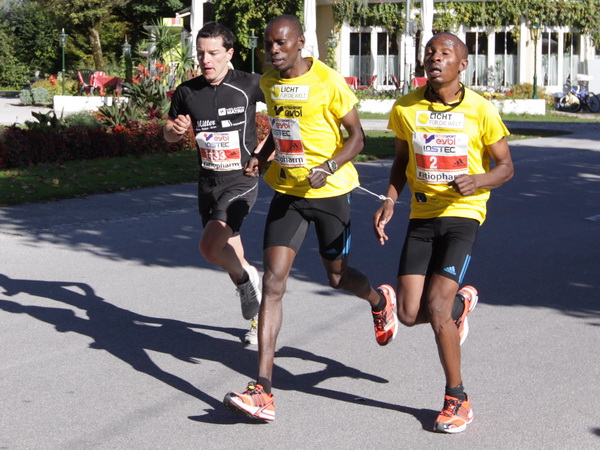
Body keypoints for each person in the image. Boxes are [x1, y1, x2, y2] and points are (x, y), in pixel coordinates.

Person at [222, 14, 398, 421]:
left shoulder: (328, 81)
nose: (274, 50)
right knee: (273, 282)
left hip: (330, 194)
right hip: (288, 192)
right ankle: (263, 390)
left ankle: (378, 300)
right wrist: (261, 156)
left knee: (337, 277)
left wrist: (330, 167)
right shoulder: (270, 83)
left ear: (301, 42)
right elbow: (281, 128)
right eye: (269, 43)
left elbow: (357, 137)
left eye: (281, 43)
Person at [373, 32, 514, 433]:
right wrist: (389, 200)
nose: (435, 58)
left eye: (445, 53)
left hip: (463, 214)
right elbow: (401, 161)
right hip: (422, 215)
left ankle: (457, 399)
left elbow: (506, 167)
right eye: (430, 52)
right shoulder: (406, 107)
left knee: (435, 306)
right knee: (408, 313)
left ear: (462, 65)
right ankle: (460, 307)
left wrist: (478, 180)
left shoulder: (481, 109)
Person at [164, 22, 264, 345]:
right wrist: (174, 130)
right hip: (208, 182)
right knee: (231, 250)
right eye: (201, 53)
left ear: (229, 53)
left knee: (209, 247)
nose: (206, 60)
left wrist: (264, 153)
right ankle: (258, 313)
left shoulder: (250, 84)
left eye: (213, 53)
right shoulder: (187, 92)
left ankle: (247, 279)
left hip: (242, 179)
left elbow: (285, 115)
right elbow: (168, 132)